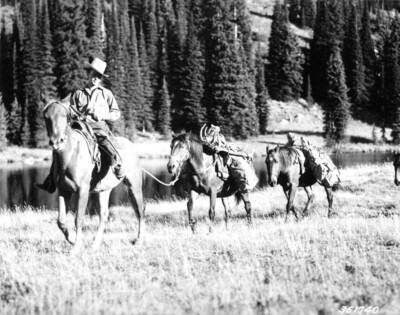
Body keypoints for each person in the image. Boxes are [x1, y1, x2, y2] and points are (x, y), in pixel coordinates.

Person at [37, 57, 124, 193]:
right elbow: (70, 111)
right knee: (59, 149)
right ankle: (51, 180)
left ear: (101, 78)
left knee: (107, 145)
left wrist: (103, 115)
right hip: (79, 127)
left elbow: (116, 113)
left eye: (98, 76)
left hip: (99, 128)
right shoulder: (78, 93)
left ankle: (118, 166)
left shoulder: (106, 94)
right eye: (93, 74)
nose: (95, 78)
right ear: (88, 74)